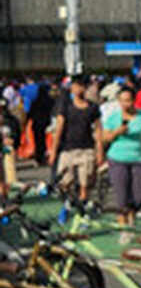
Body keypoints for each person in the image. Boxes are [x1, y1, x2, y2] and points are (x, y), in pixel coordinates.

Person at [101, 85, 141, 227]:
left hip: (139, 158)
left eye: (129, 100)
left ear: (134, 100)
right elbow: (105, 138)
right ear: (118, 102)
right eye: (123, 101)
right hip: (118, 158)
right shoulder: (113, 118)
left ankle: (132, 211)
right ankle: (123, 223)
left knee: (140, 197)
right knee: (121, 195)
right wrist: (117, 132)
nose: (126, 104)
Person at [48, 75, 102, 203]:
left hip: (87, 149)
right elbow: (59, 129)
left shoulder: (93, 108)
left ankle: (82, 209)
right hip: (68, 149)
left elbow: (98, 130)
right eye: (75, 86)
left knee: (85, 184)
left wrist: (99, 151)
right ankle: (69, 203)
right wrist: (53, 151)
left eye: (81, 86)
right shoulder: (65, 106)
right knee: (64, 183)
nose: (77, 89)